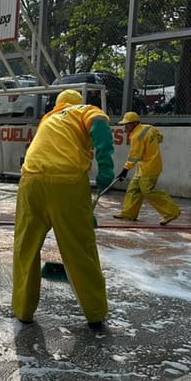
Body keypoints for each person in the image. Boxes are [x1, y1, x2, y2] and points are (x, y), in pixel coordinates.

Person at [11, 89, 114, 329]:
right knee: (79, 248)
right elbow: (99, 124)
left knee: (25, 247)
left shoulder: (48, 118)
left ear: (57, 104)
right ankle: (95, 313)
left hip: (30, 180)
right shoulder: (83, 110)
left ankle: (22, 310)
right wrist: (106, 166)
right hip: (67, 181)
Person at [113, 111, 180, 225]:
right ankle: (129, 213)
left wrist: (125, 170)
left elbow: (134, 156)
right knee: (133, 189)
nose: (125, 127)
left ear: (134, 124)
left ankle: (171, 212)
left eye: (127, 124)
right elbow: (160, 137)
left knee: (148, 191)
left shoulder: (137, 136)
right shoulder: (149, 128)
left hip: (149, 168)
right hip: (144, 166)